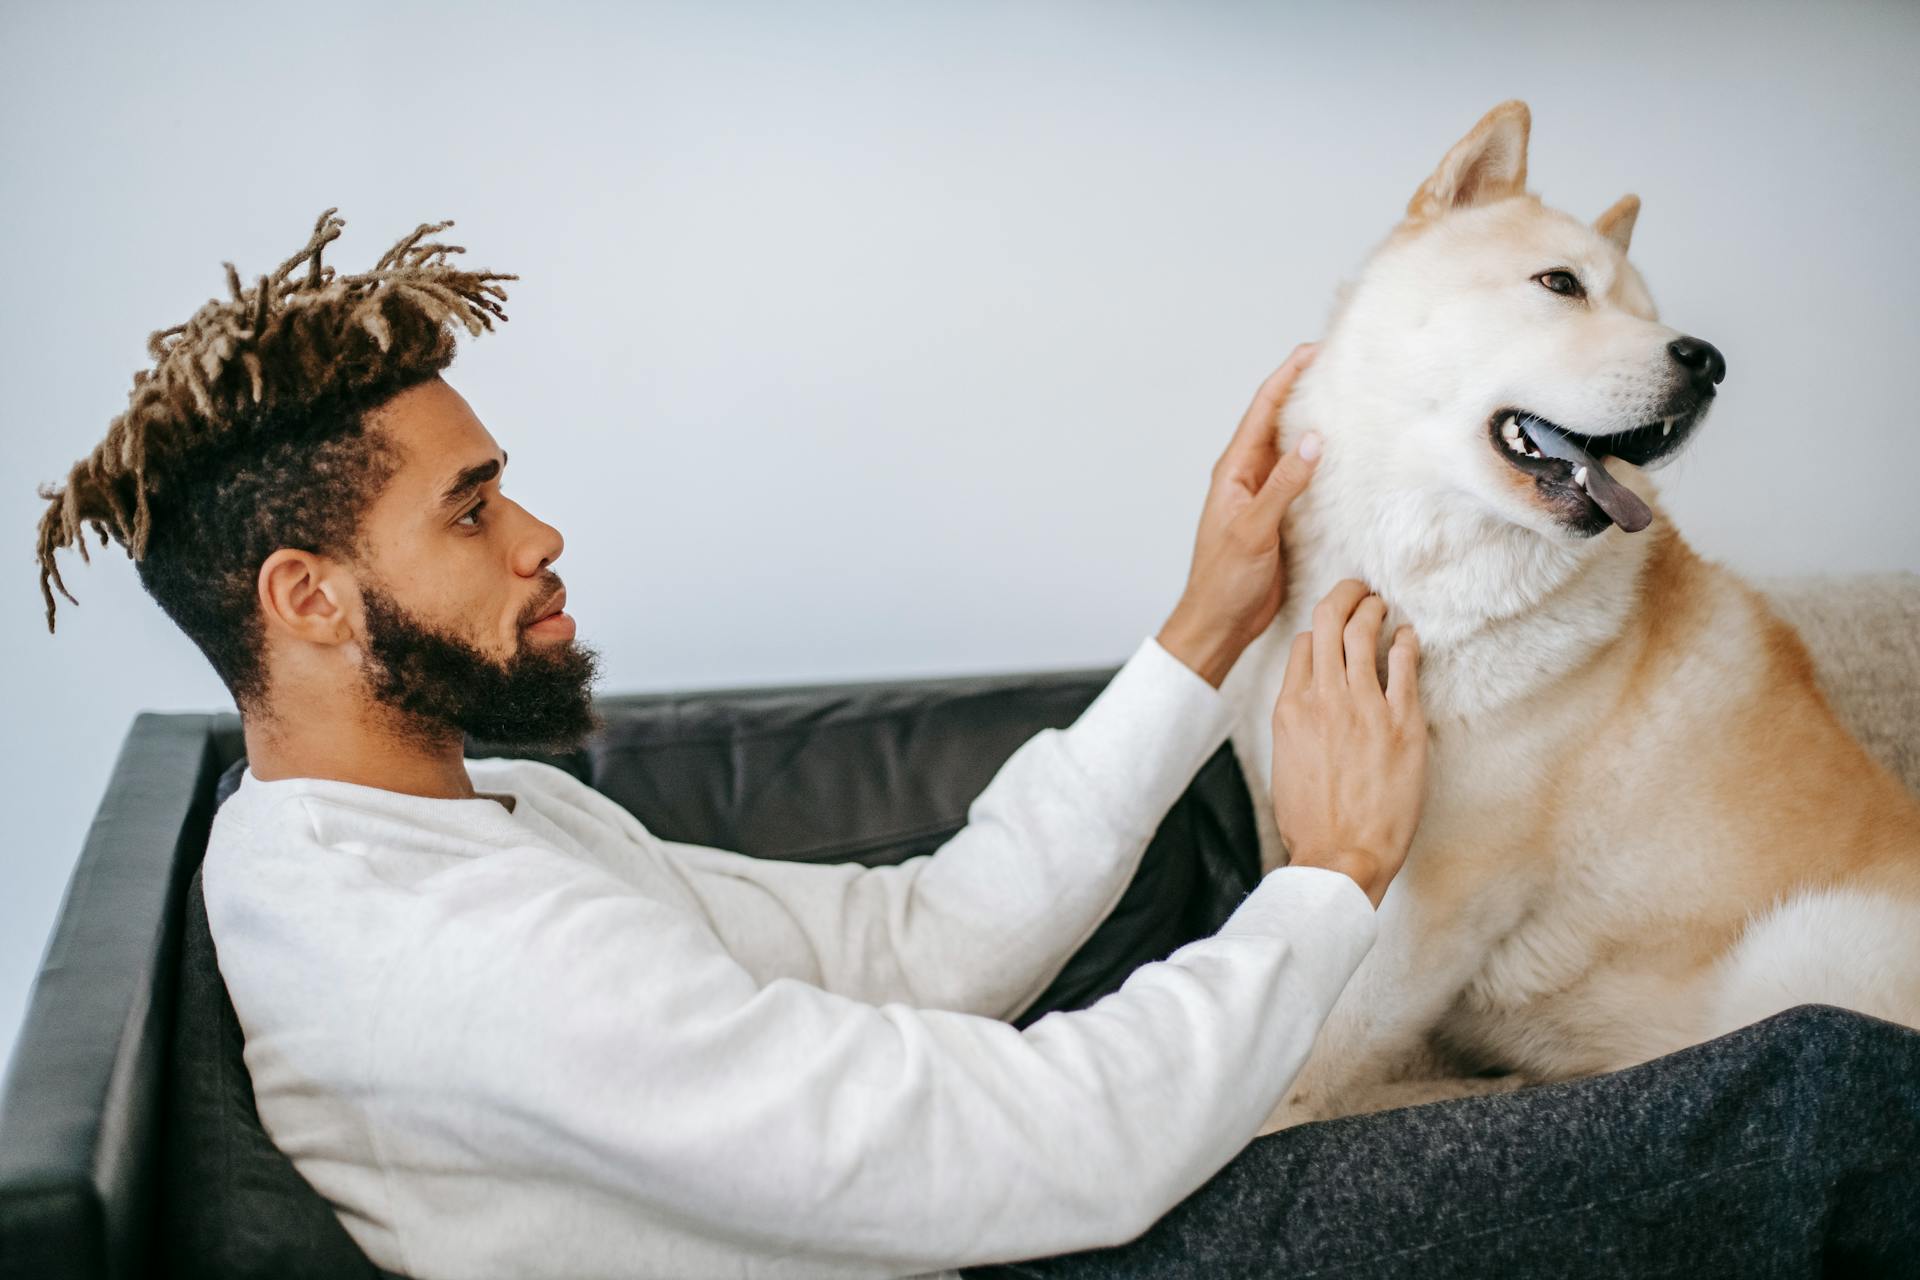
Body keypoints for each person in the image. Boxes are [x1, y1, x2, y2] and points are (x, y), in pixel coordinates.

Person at [33, 211, 1916, 1279]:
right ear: (302, 597)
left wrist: (1205, 632)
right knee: (1827, 1107)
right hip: (1017, 1254)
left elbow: (907, 945)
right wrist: (1330, 882)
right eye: (471, 511)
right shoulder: (435, 964)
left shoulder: (452, 812)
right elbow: (1019, 1156)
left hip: (984, 1204)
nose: (539, 540)